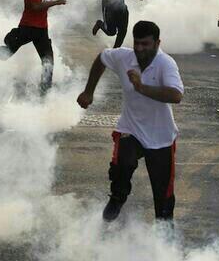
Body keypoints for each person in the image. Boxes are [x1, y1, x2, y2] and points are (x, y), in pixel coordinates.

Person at [78, 21, 184, 221]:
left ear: (157, 43)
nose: (139, 49)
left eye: (145, 44)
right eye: (137, 43)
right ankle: (118, 197)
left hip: (160, 135)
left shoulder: (166, 63)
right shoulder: (124, 57)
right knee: (121, 164)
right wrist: (88, 91)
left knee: (163, 194)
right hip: (131, 128)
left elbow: (176, 95)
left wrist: (141, 87)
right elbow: (102, 58)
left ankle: (164, 229)